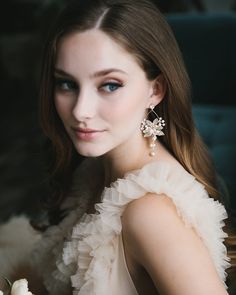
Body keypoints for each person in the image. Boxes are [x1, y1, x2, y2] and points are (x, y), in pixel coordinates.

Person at [3, 0, 231, 294]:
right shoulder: (93, 169)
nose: (80, 111)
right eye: (67, 84)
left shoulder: (150, 212)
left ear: (155, 90)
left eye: (109, 85)